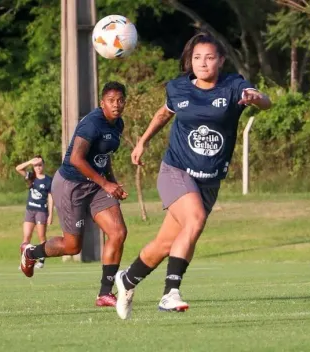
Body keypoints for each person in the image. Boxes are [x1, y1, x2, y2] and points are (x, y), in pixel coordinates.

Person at [114, 32, 272, 319]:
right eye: (197, 57)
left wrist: (257, 97)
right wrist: (142, 142)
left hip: (209, 179)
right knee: (195, 219)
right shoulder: (178, 88)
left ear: (221, 60)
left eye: (210, 57)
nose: (203, 63)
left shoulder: (234, 86)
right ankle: (170, 293)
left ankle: (127, 280)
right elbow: (164, 114)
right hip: (175, 170)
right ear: (190, 60)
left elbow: (265, 102)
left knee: (165, 244)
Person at [20, 81, 129, 308]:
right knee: (72, 247)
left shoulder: (118, 124)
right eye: (111, 101)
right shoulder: (91, 123)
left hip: (96, 185)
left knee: (118, 232)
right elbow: (75, 159)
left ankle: (105, 294)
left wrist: (112, 183)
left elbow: (104, 156)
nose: (116, 105)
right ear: (102, 103)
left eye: (120, 100)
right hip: (72, 185)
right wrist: (105, 183)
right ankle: (31, 253)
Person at [15, 155, 53, 269]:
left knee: (41, 236)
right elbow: (18, 168)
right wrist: (30, 161)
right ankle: (24, 262)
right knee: (26, 236)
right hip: (30, 210)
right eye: (36, 165)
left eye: (40, 165)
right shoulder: (31, 177)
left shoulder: (48, 180)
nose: (38, 167)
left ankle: (41, 260)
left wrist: (51, 214)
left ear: (43, 165)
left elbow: (51, 197)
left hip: (41, 211)